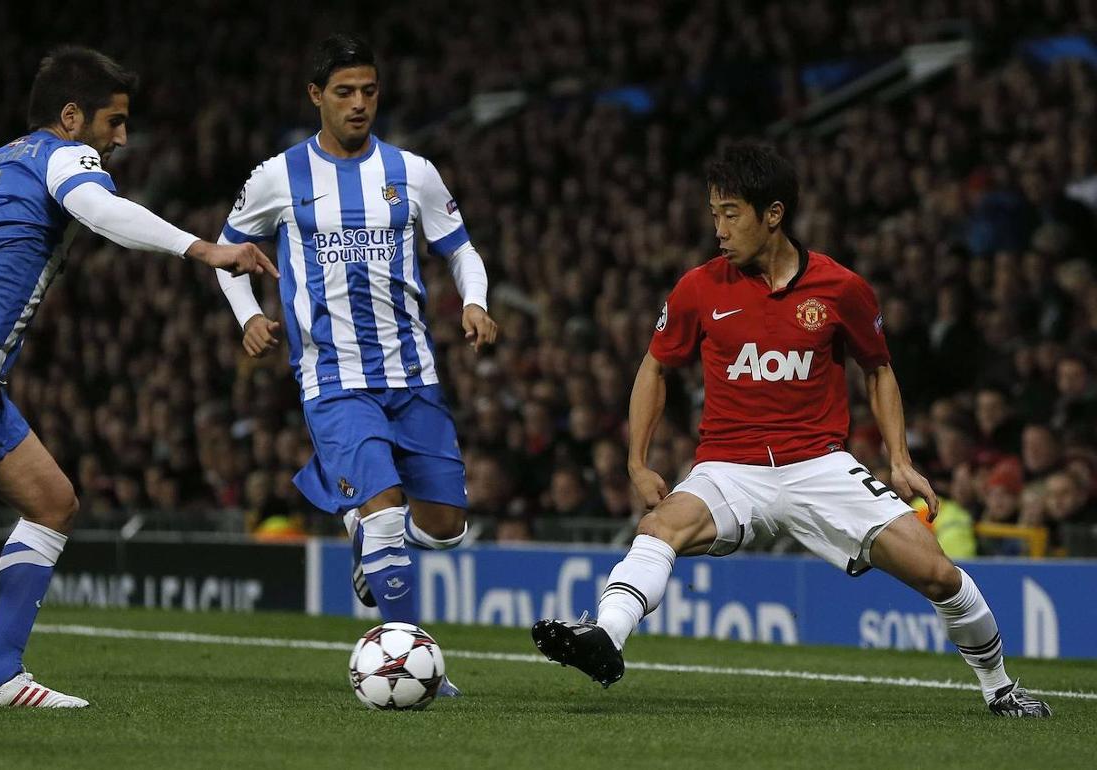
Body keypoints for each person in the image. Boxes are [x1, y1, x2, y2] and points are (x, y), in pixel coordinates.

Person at [531, 143, 1051, 718]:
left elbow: (878, 368)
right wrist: (636, 461)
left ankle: (1000, 686)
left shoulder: (842, 289)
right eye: (713, 213)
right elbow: (655, 366)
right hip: (729, 467)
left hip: (820, 465)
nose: (718, 228)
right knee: (660, 525)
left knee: (937, 573)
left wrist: (900, 460)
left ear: (772, 214)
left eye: (731, 213)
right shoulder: (698, 288)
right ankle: (606, 638)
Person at [0, 46, 276, 708]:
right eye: (115, 122)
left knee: (53, 502)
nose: (122, 138)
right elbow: (103, 213)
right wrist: (205, 249)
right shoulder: (64, 156)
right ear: (72, 116)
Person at [215, 34, 497, 696]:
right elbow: (228, 253)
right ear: (316, 96)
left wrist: (477, 302)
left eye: (369, 90)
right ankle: (412, 660)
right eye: (344, 92)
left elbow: (462, 250)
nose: (359, 103)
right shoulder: (278, 176)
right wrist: (249, 316)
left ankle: (351, 519)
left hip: (412, 372)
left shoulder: (413, 172)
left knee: (446, 527)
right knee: (385, 509)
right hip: (333, 377)